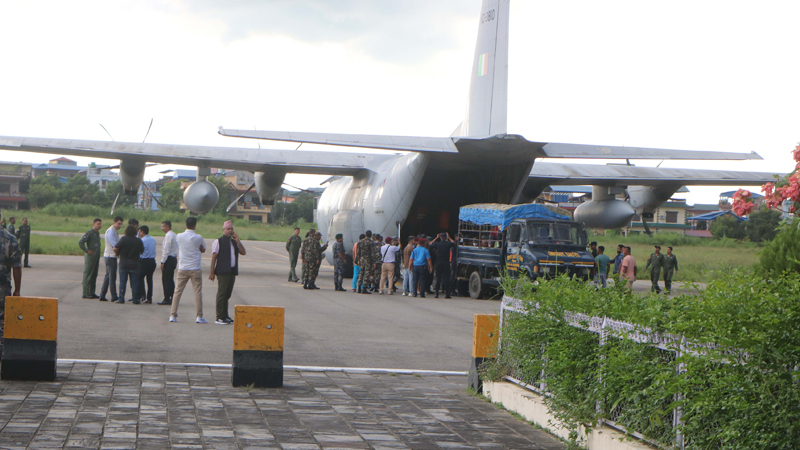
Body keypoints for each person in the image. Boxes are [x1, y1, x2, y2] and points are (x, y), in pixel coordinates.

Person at [170, 217, 207, 324]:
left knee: (177, 291)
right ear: (195, 225)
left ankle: (173, 314)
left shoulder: (179, 236)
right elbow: (203, 249)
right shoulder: (198, 237)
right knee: (197, 292)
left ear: (186, 224)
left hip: (183, 267)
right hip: (195, 267)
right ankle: (199, 316)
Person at [209, 220, 246, 324]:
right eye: (228, 229)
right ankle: (219, 316)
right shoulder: (218, 241)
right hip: (222, 271)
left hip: (231, 271)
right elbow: (214, 257)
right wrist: (212, 271)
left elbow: (243, 252)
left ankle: (225, 315)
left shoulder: (234, 242)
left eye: (231, 229)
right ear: (223, 230)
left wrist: (238, 240)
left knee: (227, 294)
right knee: (222, 293)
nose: (230, 231)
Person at [0, 213, 22, 358]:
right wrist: (17, 290)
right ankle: (2, 352)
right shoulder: (11, 239)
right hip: (2, 287)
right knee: (2, 319)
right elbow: (16, 267)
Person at [114, 225, 144, 304]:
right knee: (134, 282)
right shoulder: (138, 240)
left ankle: (121, 298)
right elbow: (142, 251)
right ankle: (135, 298)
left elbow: (115, 248)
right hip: (135, 263)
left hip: (124, 263)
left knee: (123, 282)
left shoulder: (123, 239)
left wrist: (118, 254)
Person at [99, 216, 123, 302]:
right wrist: (120, 254)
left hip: (111, 256)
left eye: (121, 224)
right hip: (110, 256)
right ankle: (114, 296)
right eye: (118, 223)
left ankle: (102, 294)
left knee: (108, 276)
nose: (120, 225)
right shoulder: (111, 231)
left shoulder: (115, 231)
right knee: (112, 277)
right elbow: (115, 247)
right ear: (114, 222)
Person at [78, 218, 103, 299]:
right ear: (94, 224)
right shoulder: (89, 232)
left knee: (94, 274)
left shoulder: (97, 233)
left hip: (96, 255)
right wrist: (86, 250)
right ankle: (86, 292)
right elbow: (81, 242)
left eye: (100, 224)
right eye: (98, 224)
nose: (99, 225)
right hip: (91, 256)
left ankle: (92, 292)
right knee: (88, 274)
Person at [158, 220, 178, 305]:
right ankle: (172, 297)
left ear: (167, 227)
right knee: (170, 279)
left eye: (163, 226)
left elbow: (166, 250)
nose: (162, 228)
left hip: (169, 259)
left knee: (166, 279)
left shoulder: (169, 236)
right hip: (173, 258)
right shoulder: (173, 235)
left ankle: (167, 297)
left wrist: (163, 261)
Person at [430, 232, 455, 299]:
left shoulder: (437, 244)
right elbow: (454, 243)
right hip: (446, 263)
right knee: (446, 279)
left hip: (438, 263)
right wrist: (449, 237)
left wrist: (436, 237)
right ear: (446, 237)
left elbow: (430, 244)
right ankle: (447, 294)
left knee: (438, 278)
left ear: (440, 237)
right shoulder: (448, 244)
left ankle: (436, 293)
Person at [137, 226, 157, 304]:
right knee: (149, 280)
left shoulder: (142, 240)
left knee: (139, 278)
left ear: (142, 231)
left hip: (144, 261)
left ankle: (141, 296)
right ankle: (149, 298)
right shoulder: (153, 239)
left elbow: (140, 251)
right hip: (152, 261)